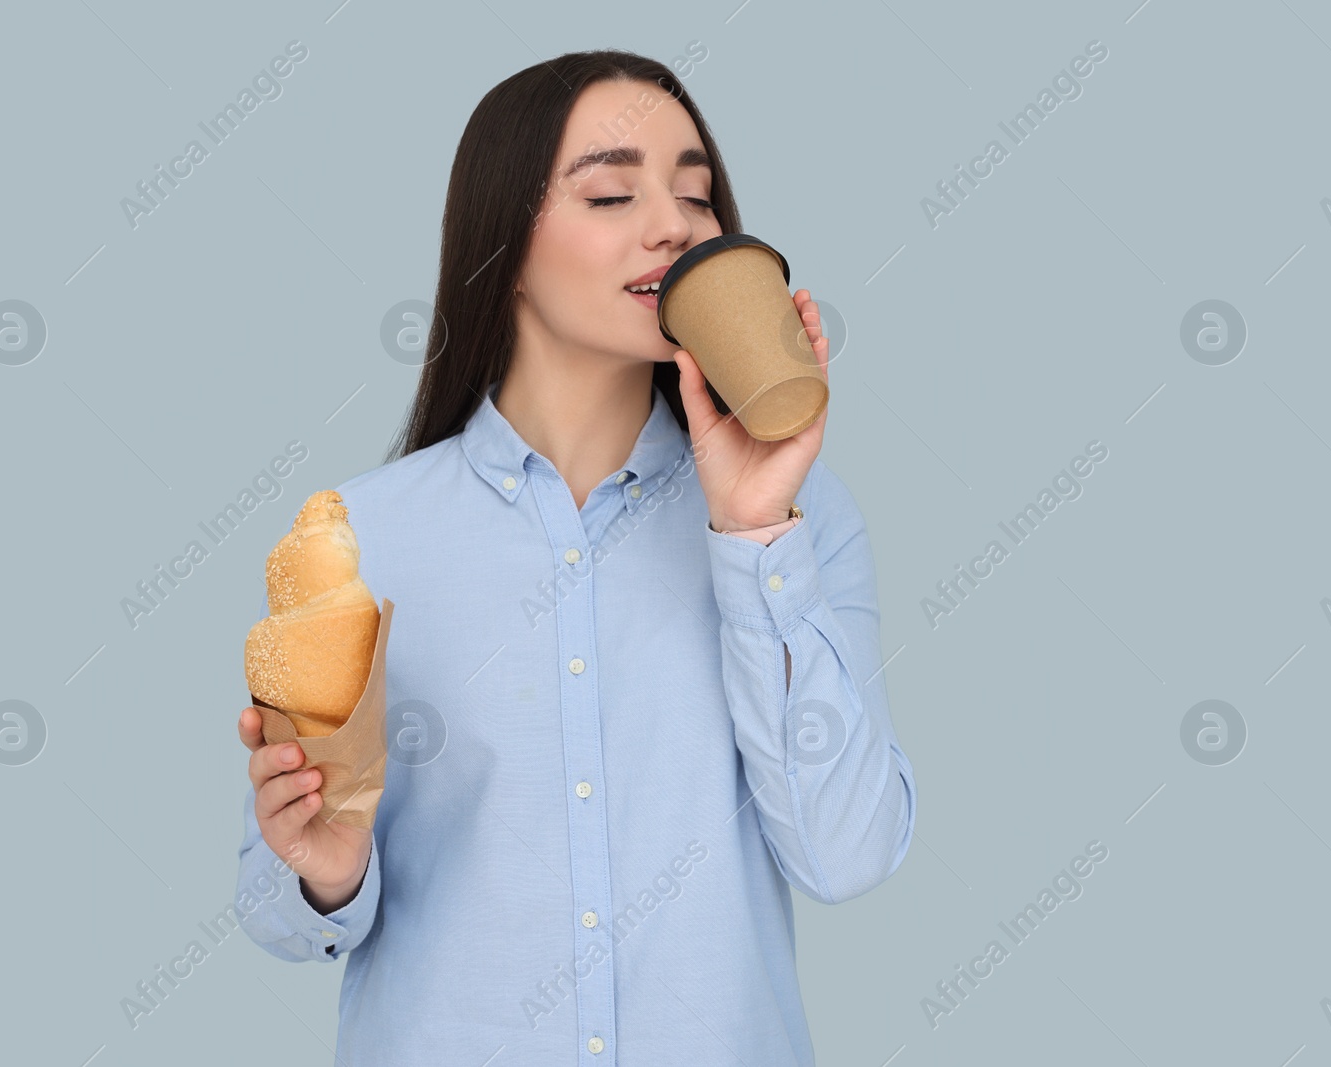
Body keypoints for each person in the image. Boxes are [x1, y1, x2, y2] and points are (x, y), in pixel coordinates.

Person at [234, 48, 915, 1065]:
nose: (675, 224)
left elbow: (848, 853)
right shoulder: (360, 536)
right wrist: (326, 870)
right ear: (502, 239)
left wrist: (753, 530)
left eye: (696, 192)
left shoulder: (802, 520)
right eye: (609, 192)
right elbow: (273, 905)